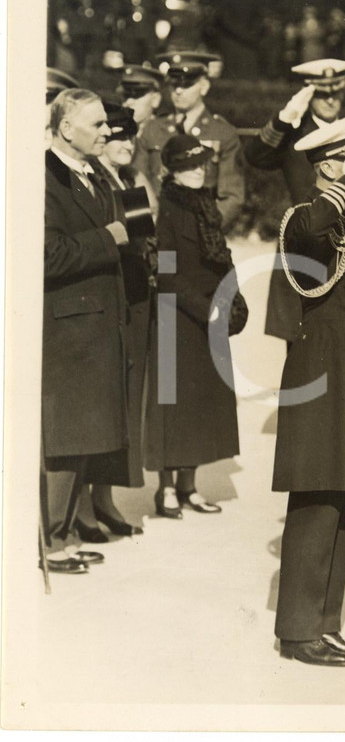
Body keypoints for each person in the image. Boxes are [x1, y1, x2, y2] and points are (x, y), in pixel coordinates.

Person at [271, 114, 345, 666]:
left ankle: (324, 621)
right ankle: (297, 632)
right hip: (321, 378)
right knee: (318, 497)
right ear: (328, 166)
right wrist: (342, 187)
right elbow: (309, 232)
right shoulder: (306, 216)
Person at [42, 88, 128, 573]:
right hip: (67, 328)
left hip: (93, 325)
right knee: (64, 438)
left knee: (82, 435)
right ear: (66, 128)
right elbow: (46, 255)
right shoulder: (44, 176)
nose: (106, 132)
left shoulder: (94, 173)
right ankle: (52, 540)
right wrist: (107, 239)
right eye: (96, 125)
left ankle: (68, 529)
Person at [143, 134, 243, 519]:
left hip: (206, 316)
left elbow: (221, 258)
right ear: (172, 170)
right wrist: (209, 310)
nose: (199, 170)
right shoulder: (167, 209)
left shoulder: (205, 205)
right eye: (189, 165)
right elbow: (167, 276)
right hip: (176, 320)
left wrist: (234, 300)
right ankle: (166, 489)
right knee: (174, 407)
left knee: (201, 405)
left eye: (202, 163)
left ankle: (189, 486)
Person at [81, 103, 159, 537]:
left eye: (130, 138)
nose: (126, 145)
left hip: (135, 295)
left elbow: (148, 234)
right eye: (116, 138)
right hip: (115, 296)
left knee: (126, 400)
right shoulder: (99, 181)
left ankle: (104, 498)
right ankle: (88, 506)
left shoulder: (128, 179)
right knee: (106, 400)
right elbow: (130, 235)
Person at [244, 58, 345, 345]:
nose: (330, 100)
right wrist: (285, 116)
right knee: (300, 343)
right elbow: (255, 156)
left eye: (336, 93)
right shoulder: (294, 133)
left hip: (342, 241)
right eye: (322, 93)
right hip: (304, 244)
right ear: (310, 93)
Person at [133, 51, 245, 231]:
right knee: (167, 261)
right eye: (174, 83)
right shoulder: (152, 129)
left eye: (187, 84)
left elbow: (232, 196)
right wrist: (149, 231)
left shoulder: (223, 133)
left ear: (204, 86)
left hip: (202, 235)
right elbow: (136, 181)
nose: (178, 90)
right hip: (159, 234)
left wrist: (206, 232)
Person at [117, 64, 165, 137]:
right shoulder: (115, 132)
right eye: (125, 95)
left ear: (155, 99)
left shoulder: (164, 134)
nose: (129, 102)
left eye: (136, 95)